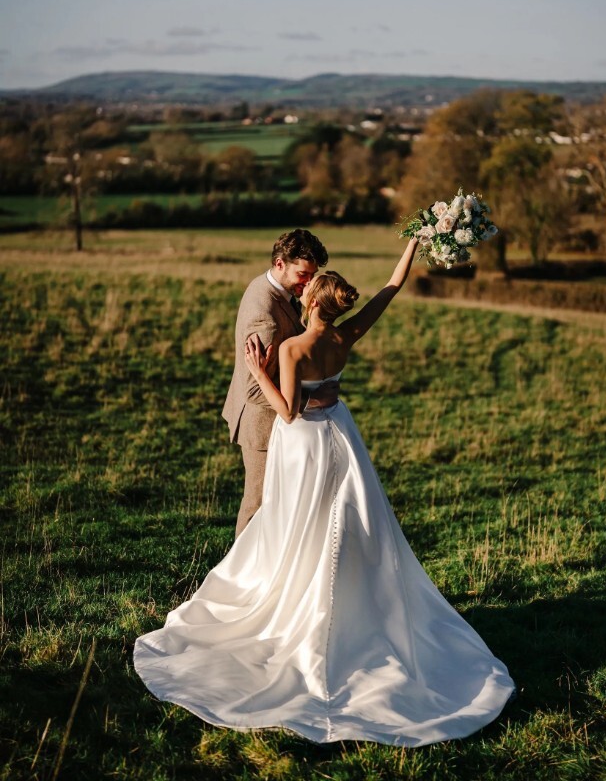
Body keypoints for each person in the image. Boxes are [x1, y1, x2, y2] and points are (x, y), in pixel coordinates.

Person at [134, 238, 516, 746]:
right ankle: (353, 609)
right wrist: (413, 243)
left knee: (298, 522)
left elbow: (289, 412)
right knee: (345, 521)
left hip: (305, 445)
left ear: (312, 301)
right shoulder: (345, 335)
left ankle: (291, 601)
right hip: (342, 435)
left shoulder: (294, 349)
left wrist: (257, 371)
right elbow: (391, 287)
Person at [222, 228, 337, 536]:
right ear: (279, 264)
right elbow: (253, 388)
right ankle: (241, 566)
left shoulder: (268, 285)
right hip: (262, 425)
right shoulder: (267, 320)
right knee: (257, 504)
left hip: (277, 422)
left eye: (312, 275)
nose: (308, 283)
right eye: (303, 275)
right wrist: (312, 398)